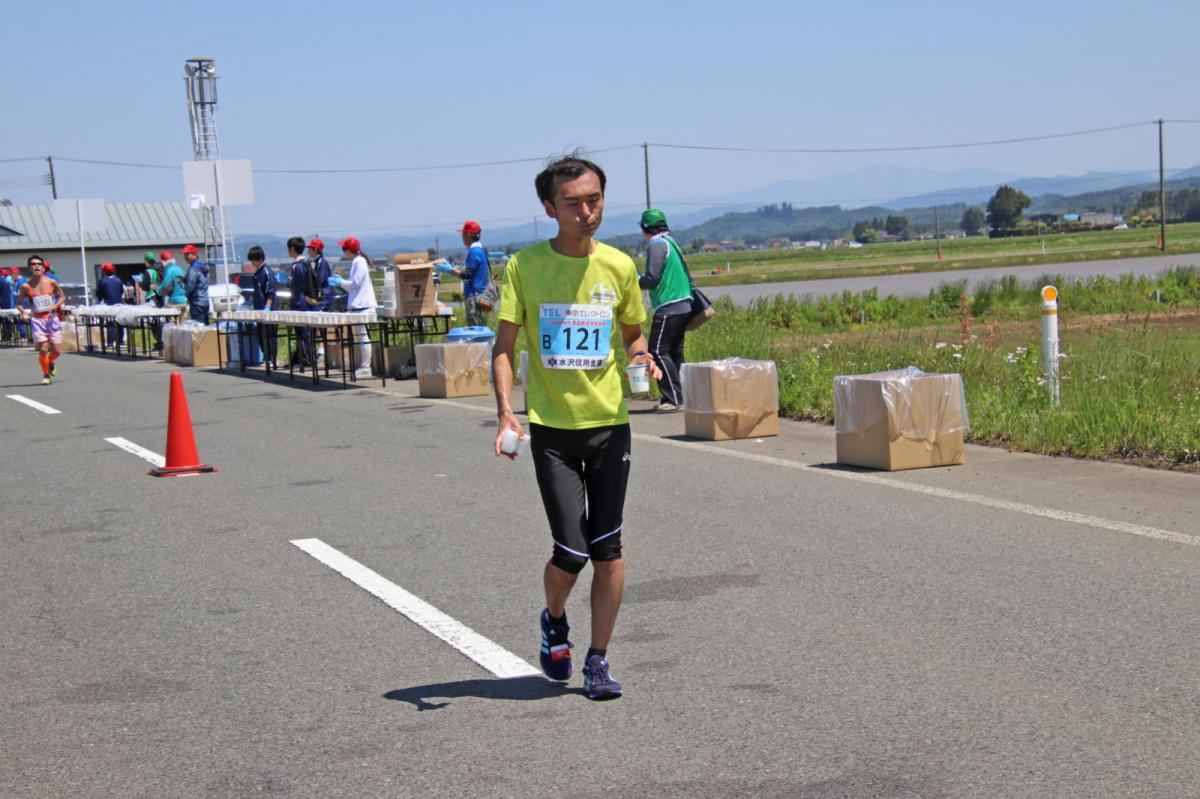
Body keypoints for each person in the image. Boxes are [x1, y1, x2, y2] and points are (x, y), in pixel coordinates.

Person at [492, 155, 661, 701]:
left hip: (610, 424)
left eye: (595, 200)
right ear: (549, 208)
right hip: (552, 429)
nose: (587, 212)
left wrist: (644, 359)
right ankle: (555, 620)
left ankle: (598, 659)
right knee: (572, 549)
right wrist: (505, 412)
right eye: (573, 204)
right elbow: (504, 347)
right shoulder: (524, 266)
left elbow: (633, 335)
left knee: (608, 546)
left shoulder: (617, 266)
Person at [637, 209, 693, 412]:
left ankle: (673, 398)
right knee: (675, 352)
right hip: (684, 304)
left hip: (669, 305)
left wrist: (636, 280)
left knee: (658, 351)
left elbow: (652, 278)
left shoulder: (656, 245)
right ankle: (684, 395)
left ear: (645, 228)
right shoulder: (671, 242)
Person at [17, 255, 67, 384]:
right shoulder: (25, 286)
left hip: (52, 319)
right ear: (29, 268)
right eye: (33, 264)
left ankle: (50, 362)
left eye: (39, 264)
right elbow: (19, 304)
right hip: (37, 320)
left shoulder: (51, 282)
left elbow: (62, 297)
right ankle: (46, 375)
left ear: (44, 268)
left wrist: (55, 306)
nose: (36, 266)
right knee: (44, 349)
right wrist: (24, 313)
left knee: (56, 350)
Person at [336, 236, 378, 379]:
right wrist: (342, 283)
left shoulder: (359, 262)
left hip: (363, 306)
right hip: (360, 305)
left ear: (348, 250)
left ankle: (366, 367)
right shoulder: (358, 261)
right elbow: (354, 285)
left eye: (344, 249)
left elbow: (355, 283)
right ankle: (364, 366)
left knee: (363, 337)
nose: (343, 252)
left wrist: (340, 282)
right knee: (362, 337)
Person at [449, 220, 491, 326]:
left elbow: (467, 275)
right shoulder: (481, 250)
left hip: (474, 296)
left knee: (475, 328)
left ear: (468, 235)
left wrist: (449, 270)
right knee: (481, 325)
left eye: (463, 234)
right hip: (481, 295)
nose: (462, 237)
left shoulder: (474, 252)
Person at [249, 245, 278, 368]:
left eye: (253, 260)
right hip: (259, 308)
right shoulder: (257, 273)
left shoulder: (266, 271)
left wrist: (268, 307)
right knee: (262, 334)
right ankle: (266, 357)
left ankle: (272, 359)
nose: (252, 263)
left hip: (268, 309)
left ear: (259, 258)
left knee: (270, 335)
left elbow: (270, 291)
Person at [96, 262, 126, 349]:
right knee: (120, 322)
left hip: (109, 305)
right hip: (119, 303)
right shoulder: (118, 280)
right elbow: (121, 292)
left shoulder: (103, 281)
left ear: (104, 271)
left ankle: (110, 342)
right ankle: (120, 340)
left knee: (110, 323)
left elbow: (99, 295)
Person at [182, 244, 210, 324]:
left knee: (198, 327)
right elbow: (199, 281)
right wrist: (184, 279)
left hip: (196, 302)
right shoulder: (201, 265)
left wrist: (185, 293)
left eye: (188, 254)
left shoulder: (193, 268)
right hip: (205, 300)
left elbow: (190, 286)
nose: (185, 257)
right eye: (185, 255)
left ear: (194, 255)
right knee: (205, 325)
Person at [159, 250, 187, 320]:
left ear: (163, 261)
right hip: (183, 300)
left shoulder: (169, 271)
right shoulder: (179, 268)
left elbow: (166, 286)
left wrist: (158, 289)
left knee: (173, 326)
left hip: (174, 301)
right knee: (182, 323)